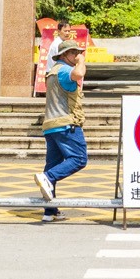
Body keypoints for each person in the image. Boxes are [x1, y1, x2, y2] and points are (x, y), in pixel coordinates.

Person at [35, 35, 87, 221]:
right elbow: (79, 74)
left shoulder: (53, 71)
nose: (79, 55)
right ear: (67, 54)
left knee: (54, 164)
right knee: (79, 158)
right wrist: (81, 62)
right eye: (76, 53)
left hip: (50, 126)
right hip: (66, 124)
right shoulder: (65, 71)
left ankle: (50, 212)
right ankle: (47, 177)